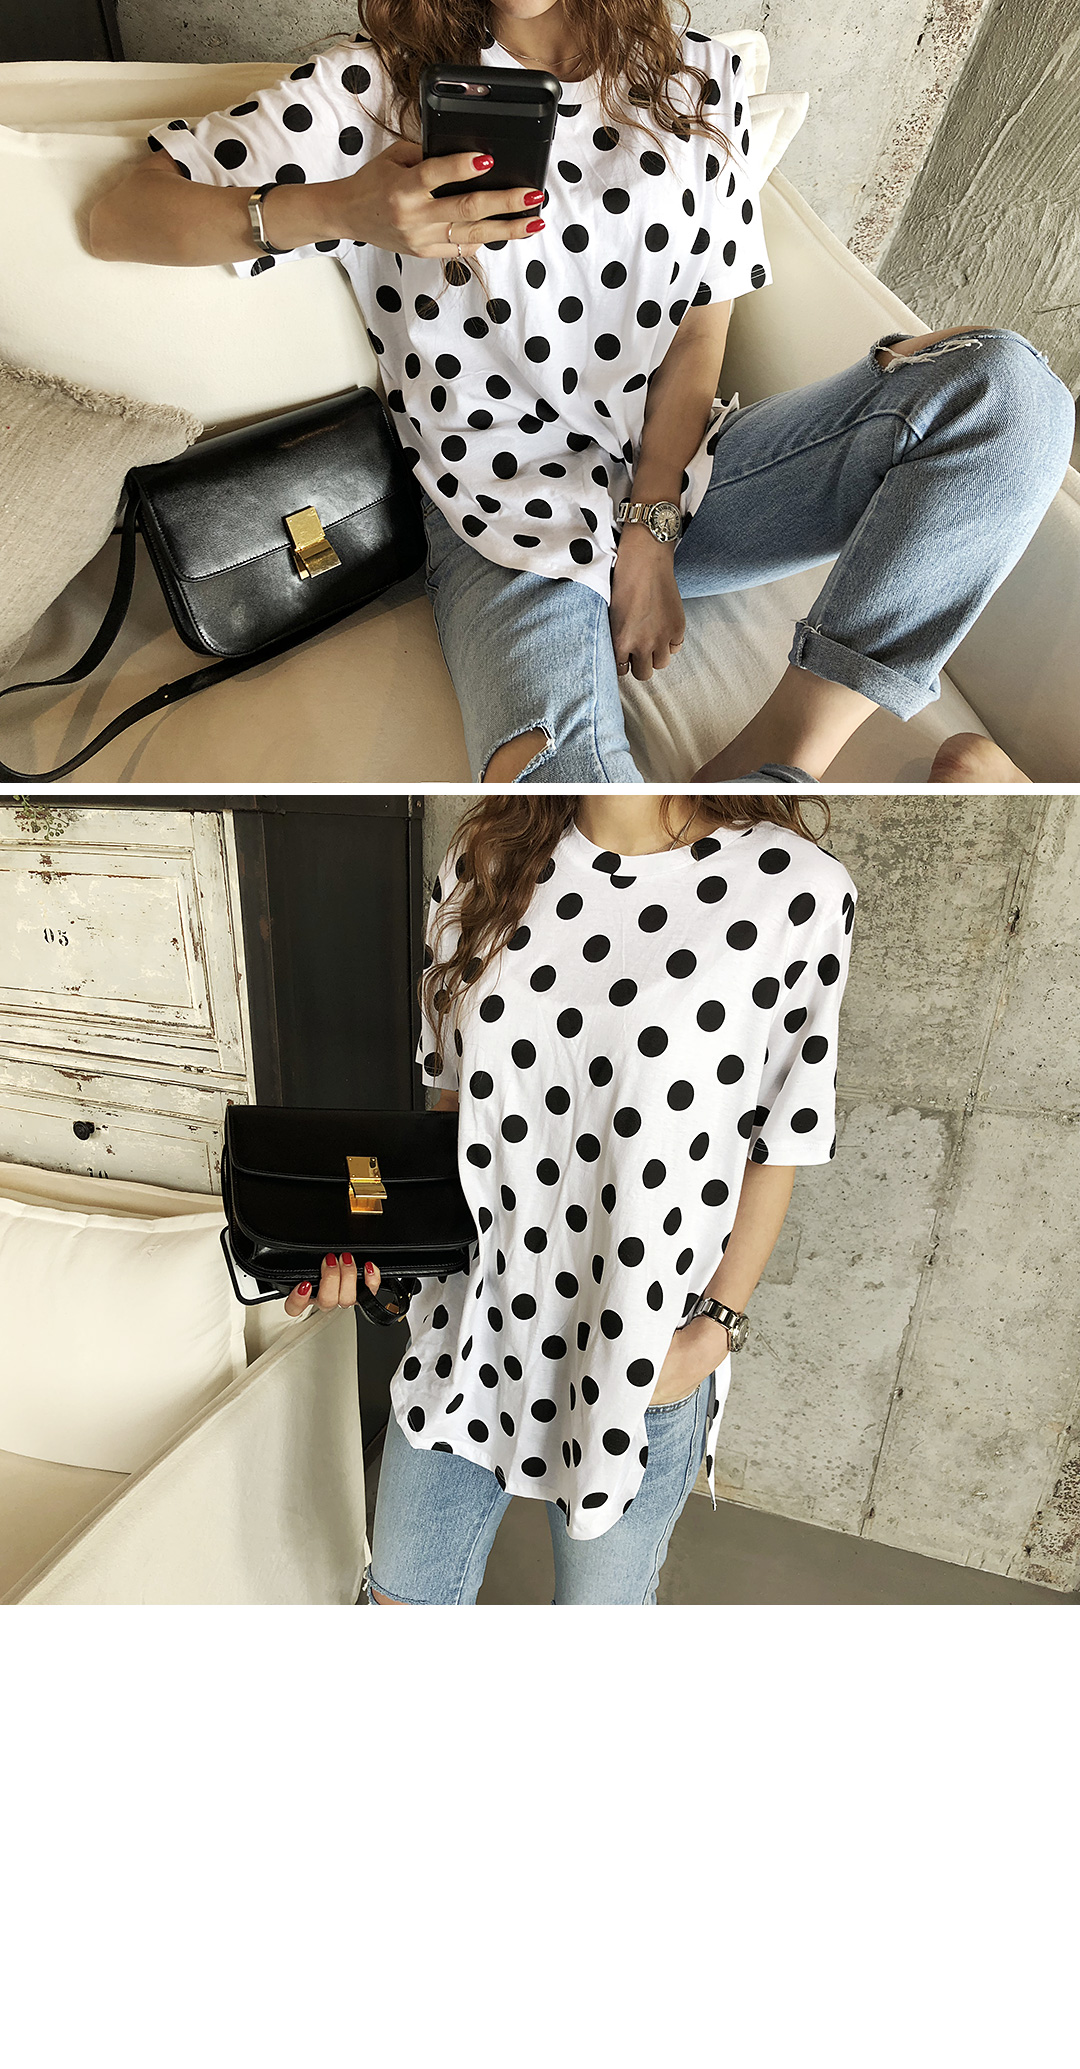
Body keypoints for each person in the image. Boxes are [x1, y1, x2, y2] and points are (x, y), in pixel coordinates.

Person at [88, 20, 1074, 788]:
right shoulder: (370, 89)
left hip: (687, 472)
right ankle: (748, 813)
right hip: (493, 510)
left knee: (1007, 396)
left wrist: (649, 529)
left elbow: (699, 330)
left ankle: (784, 754)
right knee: (567, 834)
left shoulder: (693, 80)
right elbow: (118, 212)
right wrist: (340, 208)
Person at [343, 788, 855, 1606]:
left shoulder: (796, 889)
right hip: (466, 1328)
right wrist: (381, 1257)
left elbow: (778, 1140)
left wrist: (711, 1334)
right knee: (398, 1601)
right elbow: (452, 1108)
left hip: (634, 1346)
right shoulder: (485, 856)